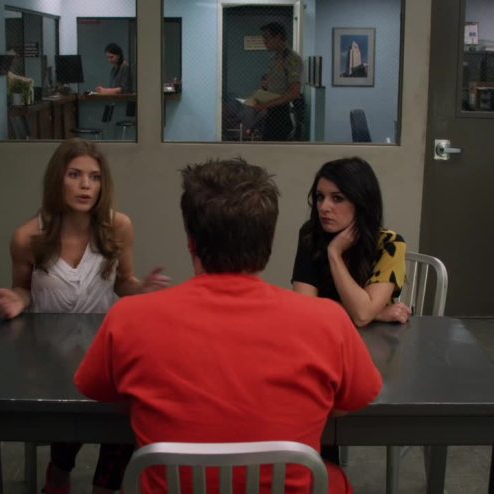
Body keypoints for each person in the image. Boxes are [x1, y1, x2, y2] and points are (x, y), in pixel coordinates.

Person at [75, 158, 383, 494]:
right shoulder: (329, 321)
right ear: (269, 239)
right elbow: (356, 400)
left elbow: (99, 392)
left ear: (191, 241)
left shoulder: (128, 317)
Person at [0, 138, 169, 494]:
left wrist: (142, 288)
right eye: (75, 175)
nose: (86, 185)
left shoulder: (118, 227)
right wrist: (17, 301)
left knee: (128, 405)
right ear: (57, 179)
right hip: (49, 353)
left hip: (103, 344)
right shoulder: (27, 237)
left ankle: (105, 486)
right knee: (71, 395)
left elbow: (124, 283)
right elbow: (22, 288)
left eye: (94, 177)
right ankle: (59, 472)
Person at [292, 157, 410, 328]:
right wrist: (377, 314)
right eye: (320, 197)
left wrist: (334, 253)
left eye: (337, 198)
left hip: (376, 339)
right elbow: (304, 306)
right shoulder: (311, 234)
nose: (324, 207)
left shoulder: (390, 244)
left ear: (361, 202)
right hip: (325, 332)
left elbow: (362, 316)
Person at [256, 22, 303, 141]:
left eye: (266, 37)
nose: (264, 41)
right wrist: (265, 88)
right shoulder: (274, 58)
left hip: (282, 112)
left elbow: (294, 92)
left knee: (276, 148)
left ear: (278, 37)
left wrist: (266, 104)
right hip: (270, 111)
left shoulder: (292, 59)